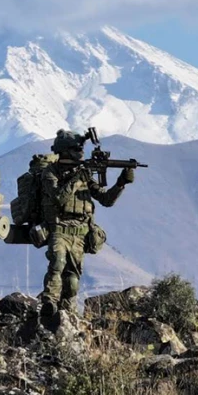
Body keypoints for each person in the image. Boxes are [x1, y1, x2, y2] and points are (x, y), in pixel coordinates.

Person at [38, 130, 134, 320]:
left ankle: (67, 314)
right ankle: (48, 303)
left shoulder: (84, 175)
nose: (80, 152)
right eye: (76, 149)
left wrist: (121, 183)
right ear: (65, 151)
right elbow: (58, 197)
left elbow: (106, 200)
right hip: (58, 228)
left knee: (72, 280)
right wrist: (78, 178)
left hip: (80, 232)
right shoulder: (51, 172)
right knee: (57, 264)